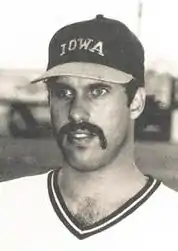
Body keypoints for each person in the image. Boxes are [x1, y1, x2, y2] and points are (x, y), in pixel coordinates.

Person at [0, 15, 178, 251]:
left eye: (98, 91)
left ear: (135, 102)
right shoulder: (7, 206)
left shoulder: (170, 224)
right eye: (63, 92)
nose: (76, 113)